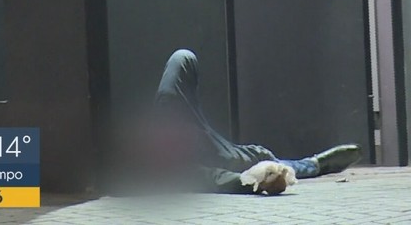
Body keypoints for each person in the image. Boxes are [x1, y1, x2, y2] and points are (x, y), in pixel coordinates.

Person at [149, 49, 362, 194]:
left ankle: (305, 165)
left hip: (185, 136)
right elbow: (219, 178)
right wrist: (258, 182)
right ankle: (312, 165)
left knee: (180, 65)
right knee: (256, 158)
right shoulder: (181, 168)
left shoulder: (167, 114)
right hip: (216, 157)